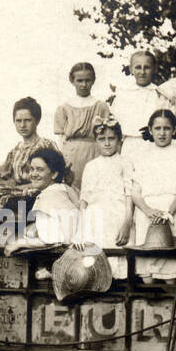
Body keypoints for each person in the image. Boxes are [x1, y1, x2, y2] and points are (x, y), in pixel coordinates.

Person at [128, 109, 176, 282]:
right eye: (157, 128)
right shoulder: (141, 157)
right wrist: (148, 210)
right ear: (150, 130)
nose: (162, 133)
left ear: (174, 130)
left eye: (166, 128)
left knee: (170, 271)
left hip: (172, 212)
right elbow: (135, 191)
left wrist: (168, 212)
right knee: (147, 272)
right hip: (147, 214)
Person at [78, 119, 132, 278]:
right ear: (96, 141)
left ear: (119, 140)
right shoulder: (91, 165)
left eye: (111, 138)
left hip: (117, 213)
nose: (107, 143)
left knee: (116, 251)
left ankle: (119, 285)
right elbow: (84, 197)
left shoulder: (125, 162)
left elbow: (129, 193)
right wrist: (82, 223)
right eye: (102, 139)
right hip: (95, 215)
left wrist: (127, 222)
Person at [3, 148, 82, 253]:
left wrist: (19, 243)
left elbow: (51, 240)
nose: (34, 174)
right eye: (32, 169)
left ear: (54, 174)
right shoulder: (62, 189)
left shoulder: (48, 196)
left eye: (40, 170)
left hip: (65, 254)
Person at [54, 62, 111, 184]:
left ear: (93, 80)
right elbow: (60, 137)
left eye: (87, 80)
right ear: (72, 80)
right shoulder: (64, 107)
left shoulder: (100, 106)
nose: (84, 85)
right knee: (72, 188)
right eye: (79, 81)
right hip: (71, 155)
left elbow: (108, 135)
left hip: (94, 152)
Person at [0, 96, 65, 185]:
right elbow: (6, 177)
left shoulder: (46, 145)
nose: (22, 125)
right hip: (17, 194)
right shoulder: (15, 151)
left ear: (37, 121)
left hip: (38, 193)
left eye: (27, 120)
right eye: (18, 121)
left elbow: (58, 176)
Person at [108, 50, 169, 154]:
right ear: (131, 69)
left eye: (147, 67)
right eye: (138, 67)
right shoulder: (124, 94)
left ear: (154, 69)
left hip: (154, 145)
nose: (142, 72)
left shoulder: (160, 95)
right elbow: (115, 122)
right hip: (129, 144)